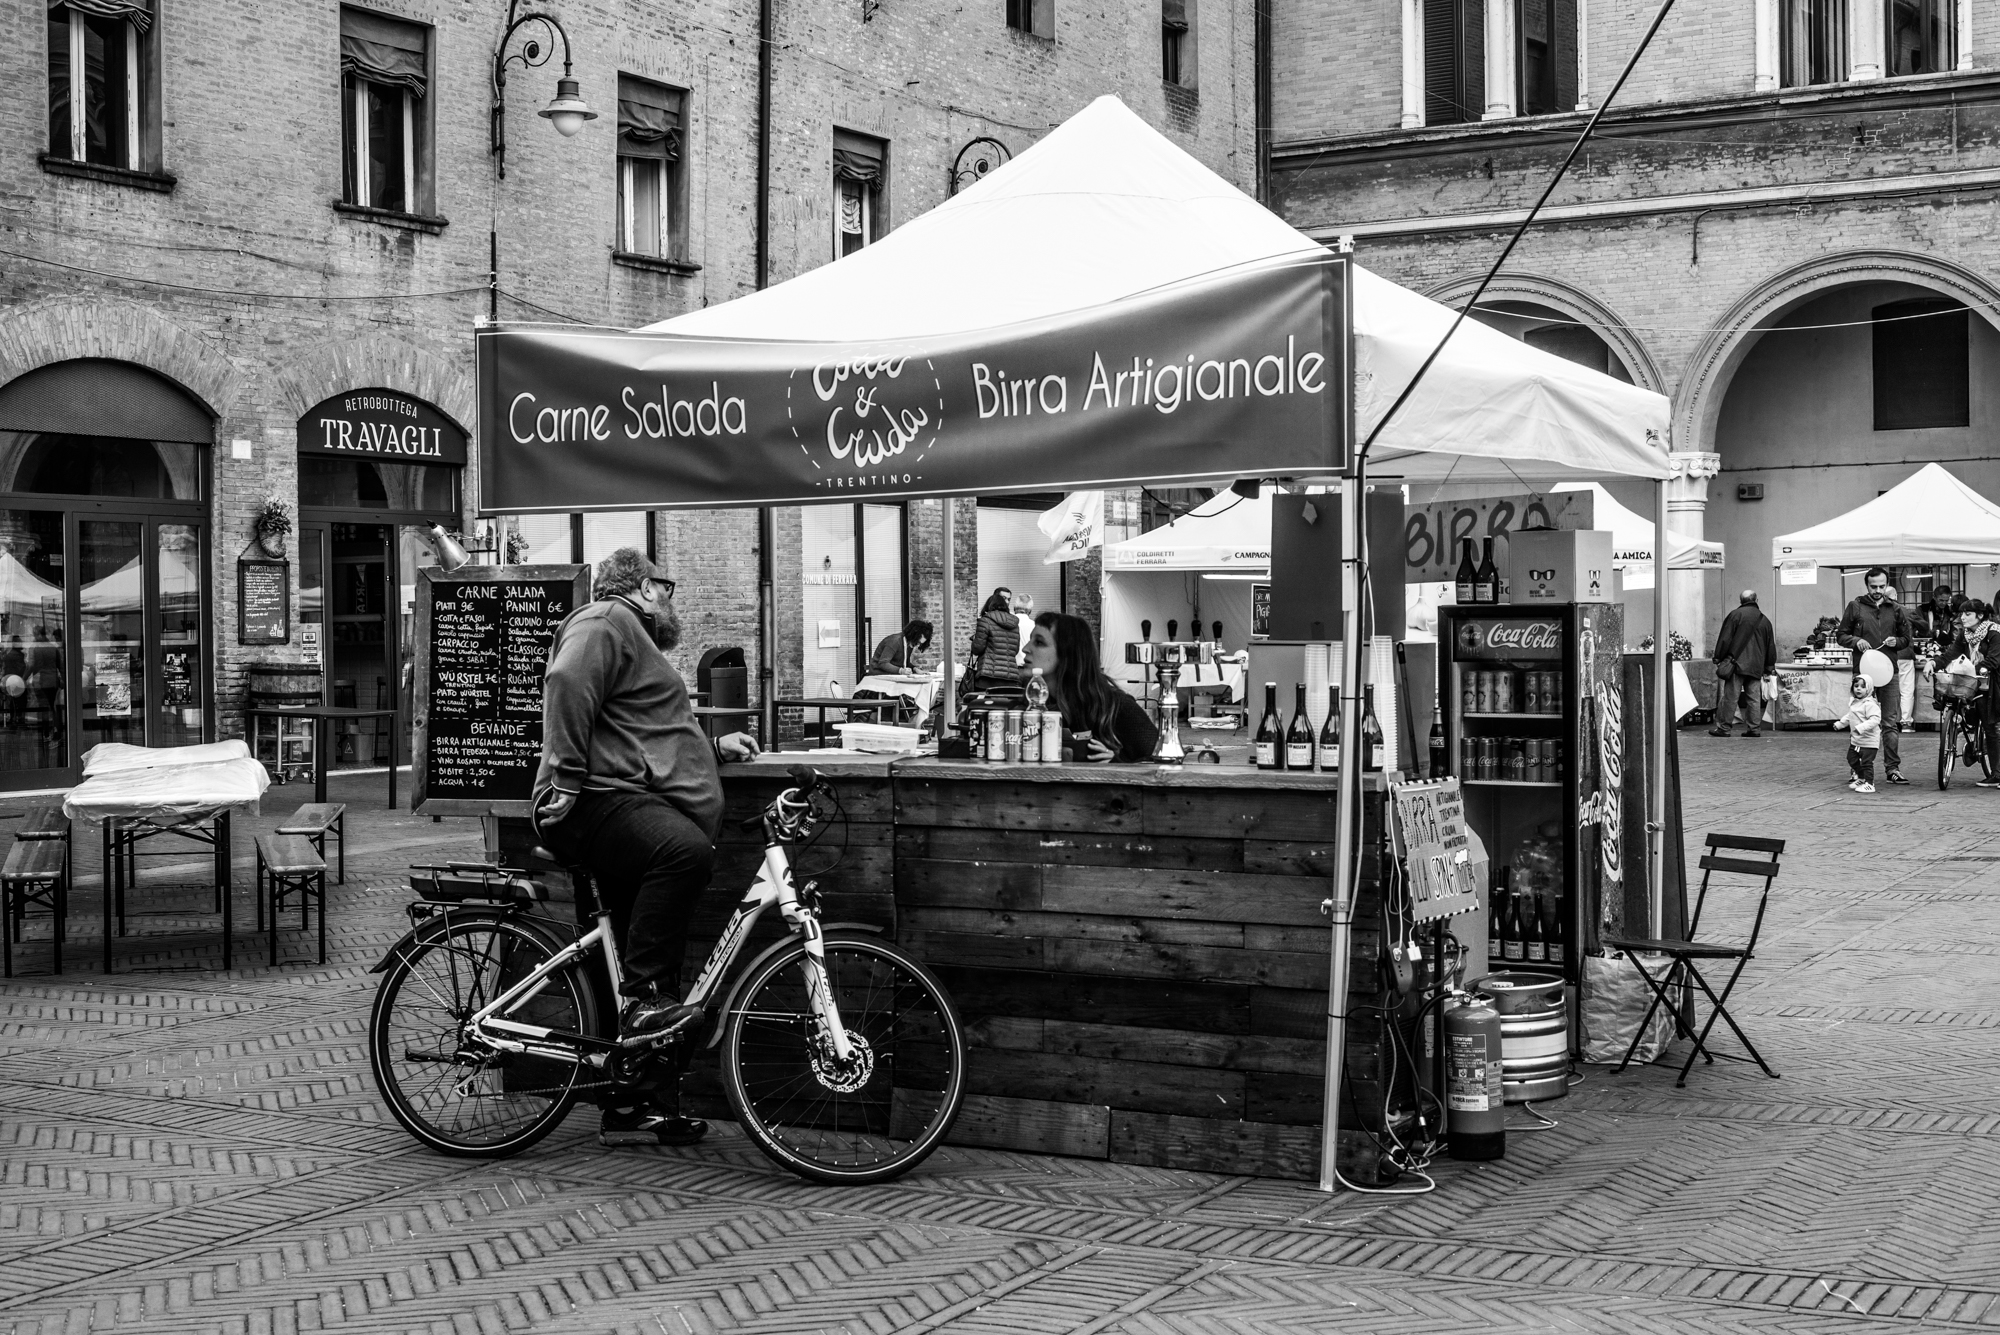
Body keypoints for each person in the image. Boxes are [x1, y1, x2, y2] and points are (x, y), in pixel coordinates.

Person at [532, 548, 761, 1147]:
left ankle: (634, 1103)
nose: (671, 597)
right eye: (667, 584)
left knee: (652, 953)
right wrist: (565, 778)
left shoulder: (631, 637)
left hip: (620, 801)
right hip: (591, 804)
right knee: (683, 854)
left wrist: (712, 750)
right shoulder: (606, 619)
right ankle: (640, 1003)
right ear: (643, 586)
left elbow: (641, 734)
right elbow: (566, 682)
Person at [1023, 610, 1160, 762]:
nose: (1025, 648)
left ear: (1067, 653)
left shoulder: (1113, 706)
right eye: (1030, 640)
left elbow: (1159, 760)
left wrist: (1117, 762)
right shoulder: (1029, 705)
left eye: (1039, 642)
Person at [1837, 567, 1912, 783]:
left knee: (1890, 722)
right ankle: (1858, 768)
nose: (1878, 591)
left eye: (1881, 586)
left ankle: (1892, 769)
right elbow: (1841, 635)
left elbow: (1906, 639)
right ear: (1867, 585)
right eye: (1873, 587)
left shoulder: (1895, 609)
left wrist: (1896, 642)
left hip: (1889, 671)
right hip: (1863, 672)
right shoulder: (1855, 606)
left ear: (1887, 585)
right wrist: (1855, 641)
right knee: (1858, 720)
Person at [1933, 598, 2000, 788]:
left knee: (1990, 727)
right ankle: (1962, 730)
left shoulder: (1994, 632)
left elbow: (1994, 660)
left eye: (1967, 614)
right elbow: (1950, 655)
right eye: (1961, 614)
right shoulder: (1965, 635)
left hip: (1990, 683)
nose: (1962, 617)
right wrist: (1934, 663)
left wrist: (1971, 670)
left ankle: (1997, 773)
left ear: (1980, 615)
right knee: (1955, 702)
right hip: (1969, 682)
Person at [1708, 589, 1776, 739]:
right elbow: (1770, 645)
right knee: (1754, 698)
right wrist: (1769, 666)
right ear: (1756, 600)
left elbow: (1725, 638)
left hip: (1736, 664)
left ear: (1741, 601)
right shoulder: (1765, 620)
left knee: (1731, 697)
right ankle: (1754, 728)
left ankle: (1724, 728)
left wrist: (1718, 657)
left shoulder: (1735, 615)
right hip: (1756, 665)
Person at [968, 587, 1026, 691]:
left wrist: (975, 640)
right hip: (1011, 678)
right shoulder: (1015, 624)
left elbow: (977, 649)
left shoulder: (985, 621)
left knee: (983, 701)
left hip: (987, 677)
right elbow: (1015, 650)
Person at [1832, 674, 1881, 793]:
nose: (1858, 689)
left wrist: (1861, 728)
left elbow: (1875, 719)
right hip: (1856, 740)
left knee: (1866, 763)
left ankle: (1870, 784)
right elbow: (1850, 716)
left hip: (1869, 741)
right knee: (1852, 759)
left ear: (1869, 689)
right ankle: (1862, 778)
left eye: (1863, 687)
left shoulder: (1870, 704)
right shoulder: (1855, 703)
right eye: (1856, 686)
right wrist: (1840, 724)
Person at [867, 619, 933, 676]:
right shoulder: (894, 641)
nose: (917, 645)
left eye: (920, 644)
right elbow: (883, 663)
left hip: (891, 675)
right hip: (878, 675)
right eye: (917, 642)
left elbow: (904, 663)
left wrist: (915, 669)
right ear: (913, 635)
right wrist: (901, 671)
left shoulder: (909, 643)